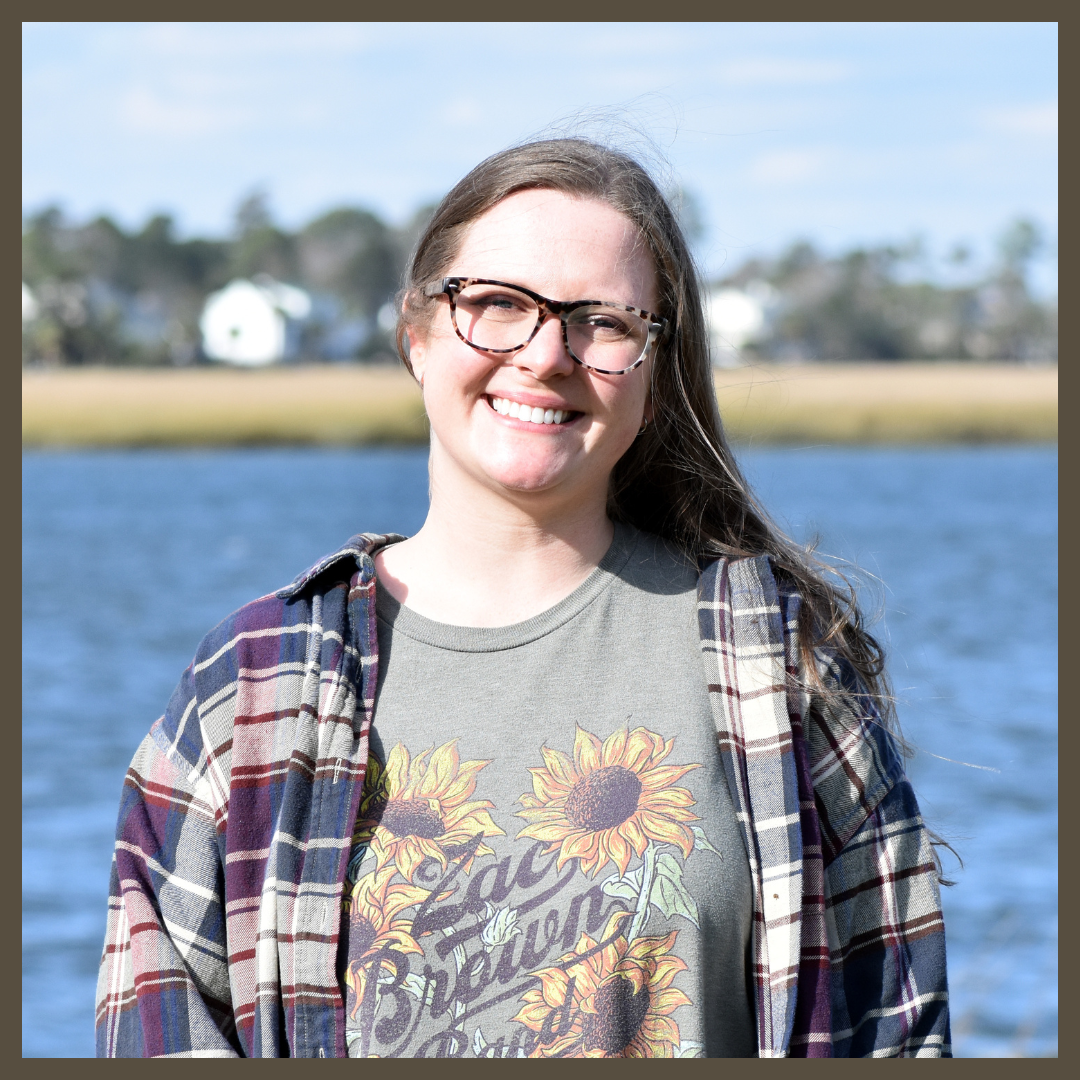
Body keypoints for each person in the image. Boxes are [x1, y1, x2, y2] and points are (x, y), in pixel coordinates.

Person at [96, 138, 951, 1058]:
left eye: (603, 322)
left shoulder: (776, 664)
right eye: (498, 305)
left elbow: (895, 1034)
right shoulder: (252, 687)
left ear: (656, 370)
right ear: (416, 335)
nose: (547, 355)